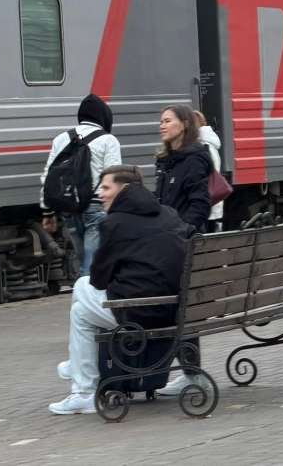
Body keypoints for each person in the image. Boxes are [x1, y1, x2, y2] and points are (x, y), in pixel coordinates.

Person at [49, 165, 190, 415]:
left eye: (106, 188)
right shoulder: (169, 213)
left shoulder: (115, 223)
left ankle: (84, 390)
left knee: (81, 296)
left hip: (144, 314)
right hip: (182, 308)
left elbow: (99, 279)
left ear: (123, 189)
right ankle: (76, 370)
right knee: (81, 305)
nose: (100, 194)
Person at [41, 94, 122, 275]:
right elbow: (114, 177)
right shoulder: (108, 140)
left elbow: (48, 177)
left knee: (84, 263)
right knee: (93, 267)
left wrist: (48, 211)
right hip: (97, 207)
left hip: (69, 208)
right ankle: (89, 292)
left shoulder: (62, 139)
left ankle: (84, 290)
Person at [154, 105, 212, 232]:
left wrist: (183, 230)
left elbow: (200, 204)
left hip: (183, 237)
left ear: (184, 125)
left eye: (167, 121)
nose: (162, 126)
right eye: (161, 122)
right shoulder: (164, 160)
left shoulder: (194, 160)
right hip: (165, 233)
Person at [194, 111, 223, 233]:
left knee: (205, 234)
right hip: (209, 197)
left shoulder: (203, 146)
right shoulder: (209, 142)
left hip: (205, 196)